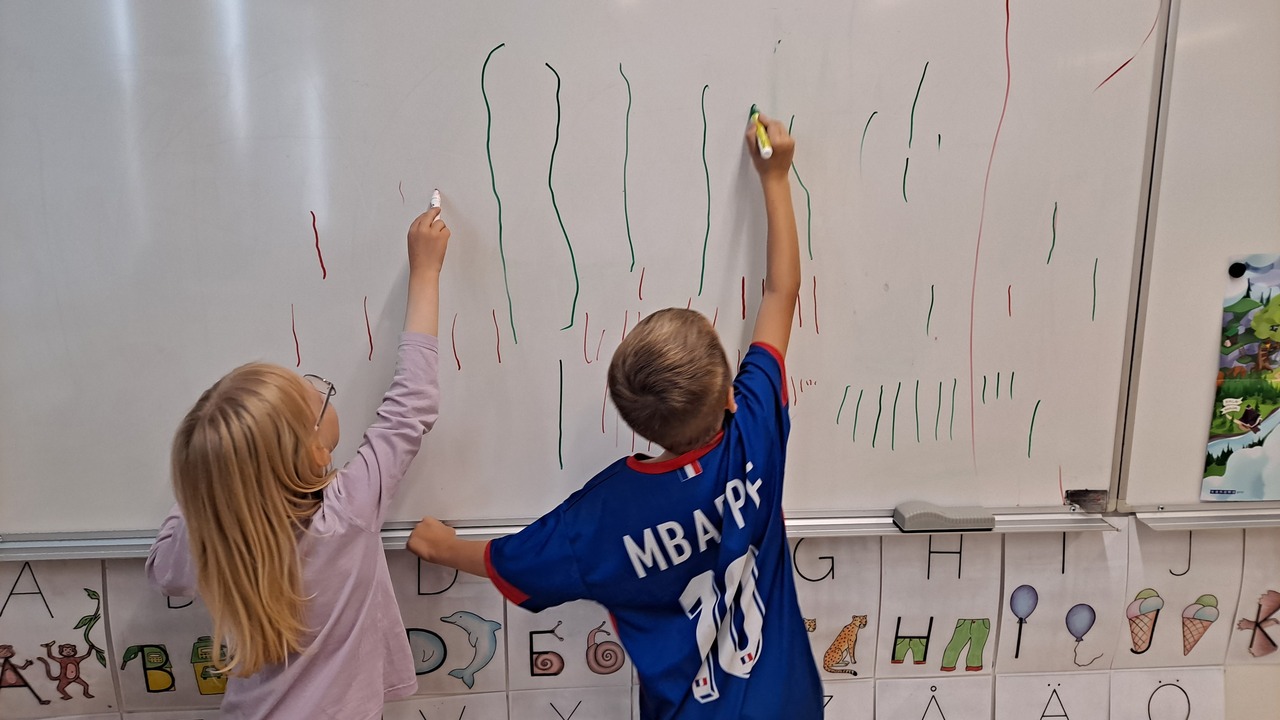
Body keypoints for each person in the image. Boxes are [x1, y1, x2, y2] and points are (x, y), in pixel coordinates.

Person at [408, 113, 822, 719]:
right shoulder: (754, 430)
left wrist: (443, 548)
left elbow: (509, 563)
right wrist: (777, 177)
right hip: (789, 706)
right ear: (730, 395)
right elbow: (780, 294)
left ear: (634, 417)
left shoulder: (604, 518)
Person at [146, 205, 450, 719]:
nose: (323, 393)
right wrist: (426, 272)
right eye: (318, 399)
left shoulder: (211, 537)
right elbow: (411, 404)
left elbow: (164, 573)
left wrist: (211, 477)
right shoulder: (345, 512)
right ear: (316, 451)